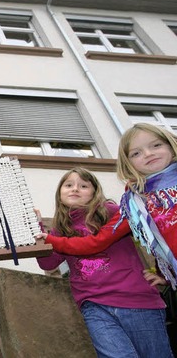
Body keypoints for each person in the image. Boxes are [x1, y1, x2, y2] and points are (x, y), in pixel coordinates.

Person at [36, 167, 172, 358]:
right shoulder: (60, 229)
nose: (75, 189)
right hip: (93, 304)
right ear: (60, 193)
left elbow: (154, 235)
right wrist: (38, 232)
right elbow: (48, 264)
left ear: (94, 192)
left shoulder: (112, 212)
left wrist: (164, 273)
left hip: (136, 299)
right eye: (68, 185)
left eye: (83, 185)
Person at [38, 123, 177, 288]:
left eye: (156, 145)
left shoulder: (109, 209)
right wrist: (165, 274)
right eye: (136, 153)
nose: (148, 154)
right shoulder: (135, 204)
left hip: (135, 296)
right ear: (128, 163)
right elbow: (156, 240)